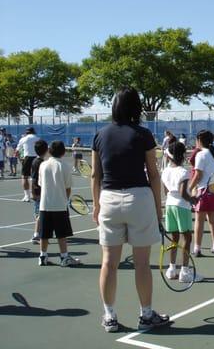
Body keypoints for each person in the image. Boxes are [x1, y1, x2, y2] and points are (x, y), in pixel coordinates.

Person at [91, 87, 169, 332]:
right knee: (142, 263)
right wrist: (158, 210)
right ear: (136, 107)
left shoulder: (100, 135)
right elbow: (154, 175)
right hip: (139, 198)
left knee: (108, 263)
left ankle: (109, 316)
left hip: (109, 199)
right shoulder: (144, 135)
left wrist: (96, 205)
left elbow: (96, 175)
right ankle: (146, 315)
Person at [161, 141, 202, 282]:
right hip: (181, 206)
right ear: (182, 154)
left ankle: (171, 269)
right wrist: (194, 200)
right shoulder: (183, 172)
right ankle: (184, 272)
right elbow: (183, 193)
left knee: (174, 238)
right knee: (187, 238)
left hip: (169, 205)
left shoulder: (165, 171)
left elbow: (166, 191)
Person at [38, 140, 81, 266]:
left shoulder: (43, 165)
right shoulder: (65, 166)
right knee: (62, 234)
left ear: (50, 151)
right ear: (63, 152)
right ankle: (64, 258)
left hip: (44, 205)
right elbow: (68, 187)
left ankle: (42, 257)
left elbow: (40, 184)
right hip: (59, 206)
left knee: (44, 233)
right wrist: (64, 200)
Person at [189, 130, 214, 257]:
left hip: (205, 190)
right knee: (213, 220)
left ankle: (197, 249)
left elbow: (198, 175)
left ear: (199, 140)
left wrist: (189, 188)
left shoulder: (201, 155)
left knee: (199, 220)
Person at [30, 140, 48, 244]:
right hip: (40, 192)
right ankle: (36, 235)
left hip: (39, 191)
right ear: (46, 150)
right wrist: (34, 192)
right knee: (40, 214)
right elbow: (34, 179)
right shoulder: (40, 163)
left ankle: (42, 232)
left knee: (41, 213)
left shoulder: (36, 161)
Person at [16, 127, 40, 202]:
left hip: (27, 159)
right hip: (37, 159)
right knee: (35, 178)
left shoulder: (23, 139)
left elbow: (17, 151)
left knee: (25, 177)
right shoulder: (38, 138)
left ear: (26, 132)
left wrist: (20, 159)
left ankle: (27, 196)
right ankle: (35, 195)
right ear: (34, 132)